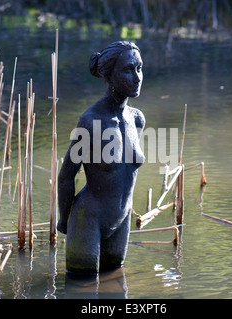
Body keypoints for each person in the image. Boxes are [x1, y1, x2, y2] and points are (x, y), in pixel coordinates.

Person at [57, 41, 145, 275]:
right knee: (80, 285)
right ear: (109, 74)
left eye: (140, 68)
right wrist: (65, 221)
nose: (137, 77)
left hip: (122, 219)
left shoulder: (137, 119)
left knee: (115, 283)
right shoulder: (91, 122)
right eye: (128, 69)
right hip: (89, 220)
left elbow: (127, 170)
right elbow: (66, 176)